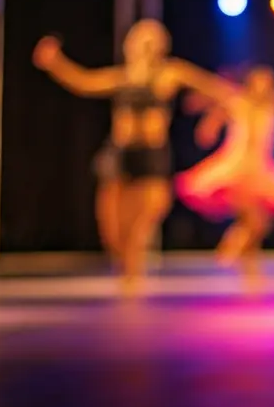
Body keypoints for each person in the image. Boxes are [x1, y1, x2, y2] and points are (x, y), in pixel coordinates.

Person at [32, 19, 232, 288]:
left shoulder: (170, 73)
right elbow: (84, 82)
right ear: (131, 45)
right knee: (113, 226)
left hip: (152, 154)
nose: (147, 44)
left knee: (149, 212)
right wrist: (55, 63)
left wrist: (214, 118)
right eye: (141, 39)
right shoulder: (121, 76)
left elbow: (217, 90)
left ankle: (134, 272)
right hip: (120, 153)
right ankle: (125, 264)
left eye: (153, 39)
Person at [175, 64, 274, 273]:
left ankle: (247, 263)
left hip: (260, 170)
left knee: (259, 222)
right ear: (251, 84)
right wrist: (210, 124)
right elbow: (218, 100)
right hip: (238, 169)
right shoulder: (239, 102)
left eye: (268, 83)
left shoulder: (271, 107)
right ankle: (228, 255)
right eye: (260, 82)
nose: (263, 87)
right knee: (254, 220)